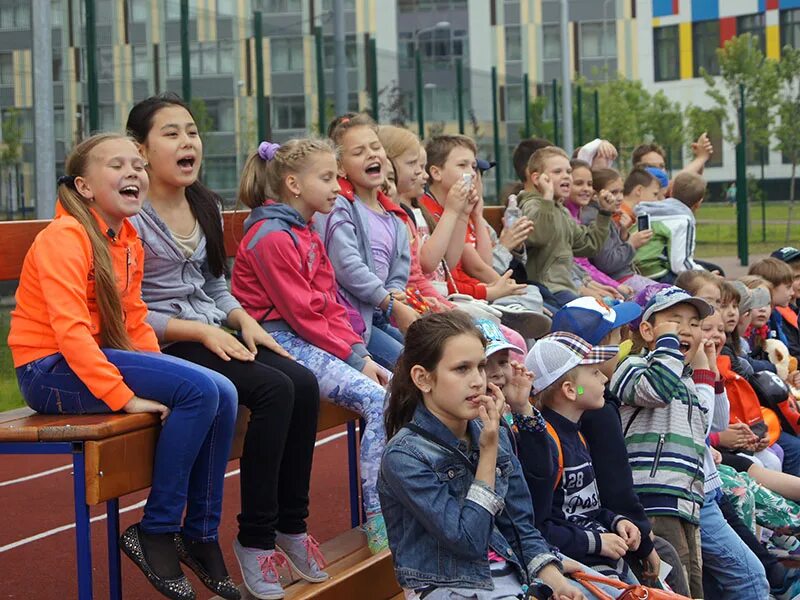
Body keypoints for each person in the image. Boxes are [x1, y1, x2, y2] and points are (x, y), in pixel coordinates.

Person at [8, 133, 238, 600]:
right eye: (118, 165)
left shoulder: (128, 239)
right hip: (48, 369)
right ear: (85, 187)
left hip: (94, 359)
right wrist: (126, 397)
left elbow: (133, 320)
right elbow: (71, 333)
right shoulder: (65, 238)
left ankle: (199, 533)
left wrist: (166, 375)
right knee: (198, 392)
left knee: (222, 391)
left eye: (138, 164)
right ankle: (155, 530)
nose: (134, 172)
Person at [125, 95, 326, 599]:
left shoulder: (205, 205)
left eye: (191, 131)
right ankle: (254, 540)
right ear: (141, 150)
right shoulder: (130, 212)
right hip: (165, 342)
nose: (186, 141)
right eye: (170, 133)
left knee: (302, 381)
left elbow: (216, 285)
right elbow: (127, 308)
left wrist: (241, 318)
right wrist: (199, 331)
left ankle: (290, 526)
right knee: (274, 391)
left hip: (216, 328)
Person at [378, 311, 616, 600]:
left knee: (604, 593)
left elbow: (521, 526)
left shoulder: (492, 429)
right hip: (448, 584)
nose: (478, 380)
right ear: (423, 378)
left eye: (480, 367)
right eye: (461, 369)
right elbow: (468, 541)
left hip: (510, 571)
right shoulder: (405, 455)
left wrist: (555, 580)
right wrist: (488, 453)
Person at [231, 137, 392, 555]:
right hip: (280, 341)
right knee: (378, 402)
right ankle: (380, 517)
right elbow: (302, 313)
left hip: (308, 339)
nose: (338, 187)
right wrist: (355, 361)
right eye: (327, 178)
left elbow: (331, 304)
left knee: (395, 392)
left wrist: (362, 354)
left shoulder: (305, 232)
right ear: (293, 184)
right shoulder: (270, 237)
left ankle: (398, 508)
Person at [548, 298, 691, 596]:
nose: (626, 341)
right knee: (667, 568)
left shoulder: (589, 401)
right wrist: (645, 545)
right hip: (590, 545)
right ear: (595, 350)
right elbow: (615, 486)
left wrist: (619, 521)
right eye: (617, 337)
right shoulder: (595, 412)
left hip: (607, 526)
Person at [524, 332, 643, 584]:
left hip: (598, 550)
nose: (605, 378)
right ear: (570, 389)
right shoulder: (546, 443)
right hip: (574, 562)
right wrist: (597, 542)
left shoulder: (577, 435)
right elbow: (538, 527)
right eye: (594, 373)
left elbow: (586, 508)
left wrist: (616, 520)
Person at [315, 112, 416, 368]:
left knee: (432, 353)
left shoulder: (394, 215)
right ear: (339, 167)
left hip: (380, 314)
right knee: (411, 366)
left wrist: (394, 292)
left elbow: (399, 270)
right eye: (358, 152)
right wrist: (389, 302)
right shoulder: (339, 206)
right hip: (352, 321)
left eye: (375, 147)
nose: (371, 155)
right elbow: (347, 266)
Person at [518, 147, 616, 307]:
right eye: (557, 172)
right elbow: (540, 235)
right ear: (537, 179)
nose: (566, 176)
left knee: (610, 310)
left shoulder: (559, 210)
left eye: (568, 171)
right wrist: (547, 197)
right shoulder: (532, 205)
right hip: (547, 291)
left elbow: (588, 245)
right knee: (596, 315)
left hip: (566, 289)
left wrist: (604, 213)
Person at [583, 168, 656, 294]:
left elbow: (613, 250)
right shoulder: (595, 218)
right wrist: (632, 244)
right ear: (595, 195)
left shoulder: (604, 215)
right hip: (619, 281)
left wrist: (623, 233)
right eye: (614, 192)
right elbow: (607, 263)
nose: (620, 198)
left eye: (621, 192)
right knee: (671, 297)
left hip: (624, 277)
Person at [633, 172, 710, 282]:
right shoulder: (683, 219)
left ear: (671, 191)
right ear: (698, 203)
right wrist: (708, 276)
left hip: (635, 269)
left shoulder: (649, 208)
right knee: (710, 277)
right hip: (657, 274)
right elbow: (680, 265)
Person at [749, 257, 800, 359]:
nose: (792, 292)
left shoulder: (775, 316)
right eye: (788, 287)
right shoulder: (756, 318)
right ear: (771, 287)